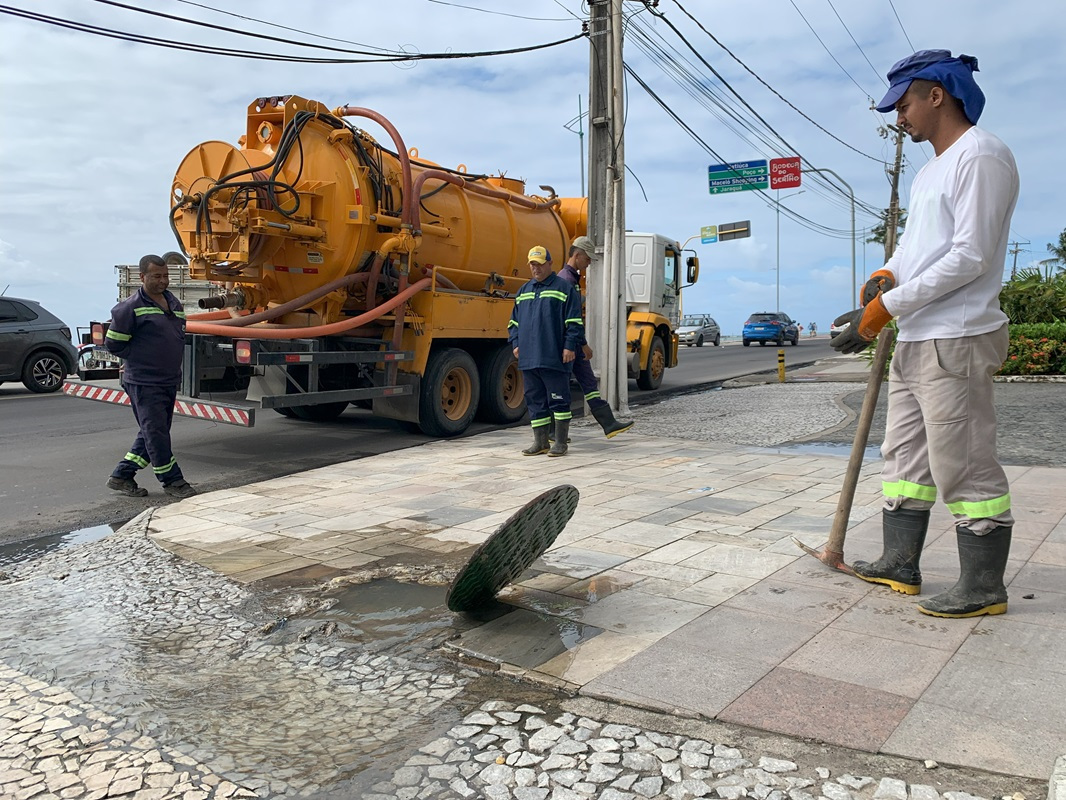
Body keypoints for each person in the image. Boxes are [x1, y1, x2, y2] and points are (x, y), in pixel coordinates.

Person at [830, 50, 1018, 618]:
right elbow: (919, 250)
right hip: (917, 336)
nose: (899, 117)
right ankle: (900, 563)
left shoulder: (982, 157)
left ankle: (984, 586)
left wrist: (885, 306)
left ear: (937, 94)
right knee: (905, 455)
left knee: (962, 458)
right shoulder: (932, 168)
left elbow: (970, 255)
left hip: (956, 335)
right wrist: (885, 275)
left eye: (904, 104)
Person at [105, 254, 197, 499]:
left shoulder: (173, 303)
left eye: (165, 276)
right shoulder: (129, 308)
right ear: (142, 276)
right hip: (144, 382)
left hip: (167, 380)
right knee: (156, 432)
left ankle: (122, 475)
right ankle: (172, 481)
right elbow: (114, 344)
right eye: (157, 276)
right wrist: (138, 359)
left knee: (153, 431)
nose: (163, 281)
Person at [508, 246, 584, 457]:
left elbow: (574, 321)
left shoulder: (564, 288)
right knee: (534, 400)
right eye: (532, 264)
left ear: (550, 263)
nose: (536, 268)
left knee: (558, 400)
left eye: (540, 264)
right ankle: (540, 442)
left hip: (554, 356)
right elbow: (513, 322)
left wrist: (569, 346)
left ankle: (560, 443)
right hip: (528, 358)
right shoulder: (523, 291)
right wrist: (515, 343)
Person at [556, 235, 634, 439]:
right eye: (587, 258)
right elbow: (571, 319)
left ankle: (609, 424)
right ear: (577, 255)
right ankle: (554, 434)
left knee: (588, 383)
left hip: (572, 344)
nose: (589, 262)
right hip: (569, 345)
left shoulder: (570, 278)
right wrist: (582, 344)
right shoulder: (566, 280)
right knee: (560, 389)